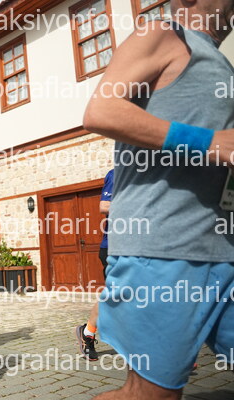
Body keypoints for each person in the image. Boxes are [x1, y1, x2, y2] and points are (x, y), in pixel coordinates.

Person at [83, 1, 234, 398]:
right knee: (150, 395)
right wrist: (210, 143)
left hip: (224, 249)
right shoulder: (162, 33)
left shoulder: (219, 61)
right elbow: (101, 110)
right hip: (164, 252)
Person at [75, 168, 113, 361]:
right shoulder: (119, 174)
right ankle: (88, 333)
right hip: (115, 247)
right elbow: (105, 206)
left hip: (146, 247)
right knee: (114, 295)